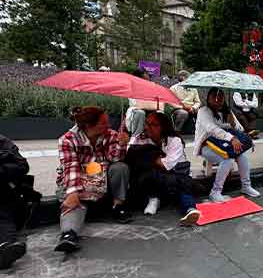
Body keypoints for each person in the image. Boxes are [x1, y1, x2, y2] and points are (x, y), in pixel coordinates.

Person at [55, 106, 132, 253]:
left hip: (102, 179)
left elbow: (115, 158)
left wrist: (122, 145)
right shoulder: (67, 140)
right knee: (74, 201)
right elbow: (71, 167)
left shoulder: (110, 134)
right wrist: (73, 193)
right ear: (89, 126)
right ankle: (69, 234)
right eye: (103, 123)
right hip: (79, 179)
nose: (108, 126)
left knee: (120, 167)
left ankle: (118, 206)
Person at [127, 112, 202, 226]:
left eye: (153, 124)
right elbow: (133, 156)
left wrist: (149, 156)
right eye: (146, 123)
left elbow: (166, 166)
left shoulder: (174, 140)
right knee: (147, 174)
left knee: (181, 185)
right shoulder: (140, 139)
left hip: (176, 175)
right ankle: (153, 199)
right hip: (154, 177)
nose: (147, 127)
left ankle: (190, 210)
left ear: (163, 127)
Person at [195, 87, 260, 201]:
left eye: (220, 97)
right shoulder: (203, 111)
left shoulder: (227, 111)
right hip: (206, 146)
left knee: (242, 155)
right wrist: (231, 138)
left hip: (226, 145)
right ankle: (215, 191)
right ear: (208, 98)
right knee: (228, 158)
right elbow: (212, 129)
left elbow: (239, 129)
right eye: (214, 97)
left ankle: (246, 186)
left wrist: (234, 124)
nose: (217, 99)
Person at [0, 135, 30, 269]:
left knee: (5, 216)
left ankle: (6, 247)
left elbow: (22, 165)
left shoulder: (3, 141)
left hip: (5, 195)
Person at [126, 69, 164, 136]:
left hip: (152, 110)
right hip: (137, 110)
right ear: (140, 76)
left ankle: (157, 136)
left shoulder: (153, 86)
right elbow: (136, 104)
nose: (148, 75)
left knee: (160, 113)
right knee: (140, 113)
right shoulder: (132, 87)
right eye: (146, 73)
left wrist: (154, 105)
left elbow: (159, 101)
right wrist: (150, 105)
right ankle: (136, 136)